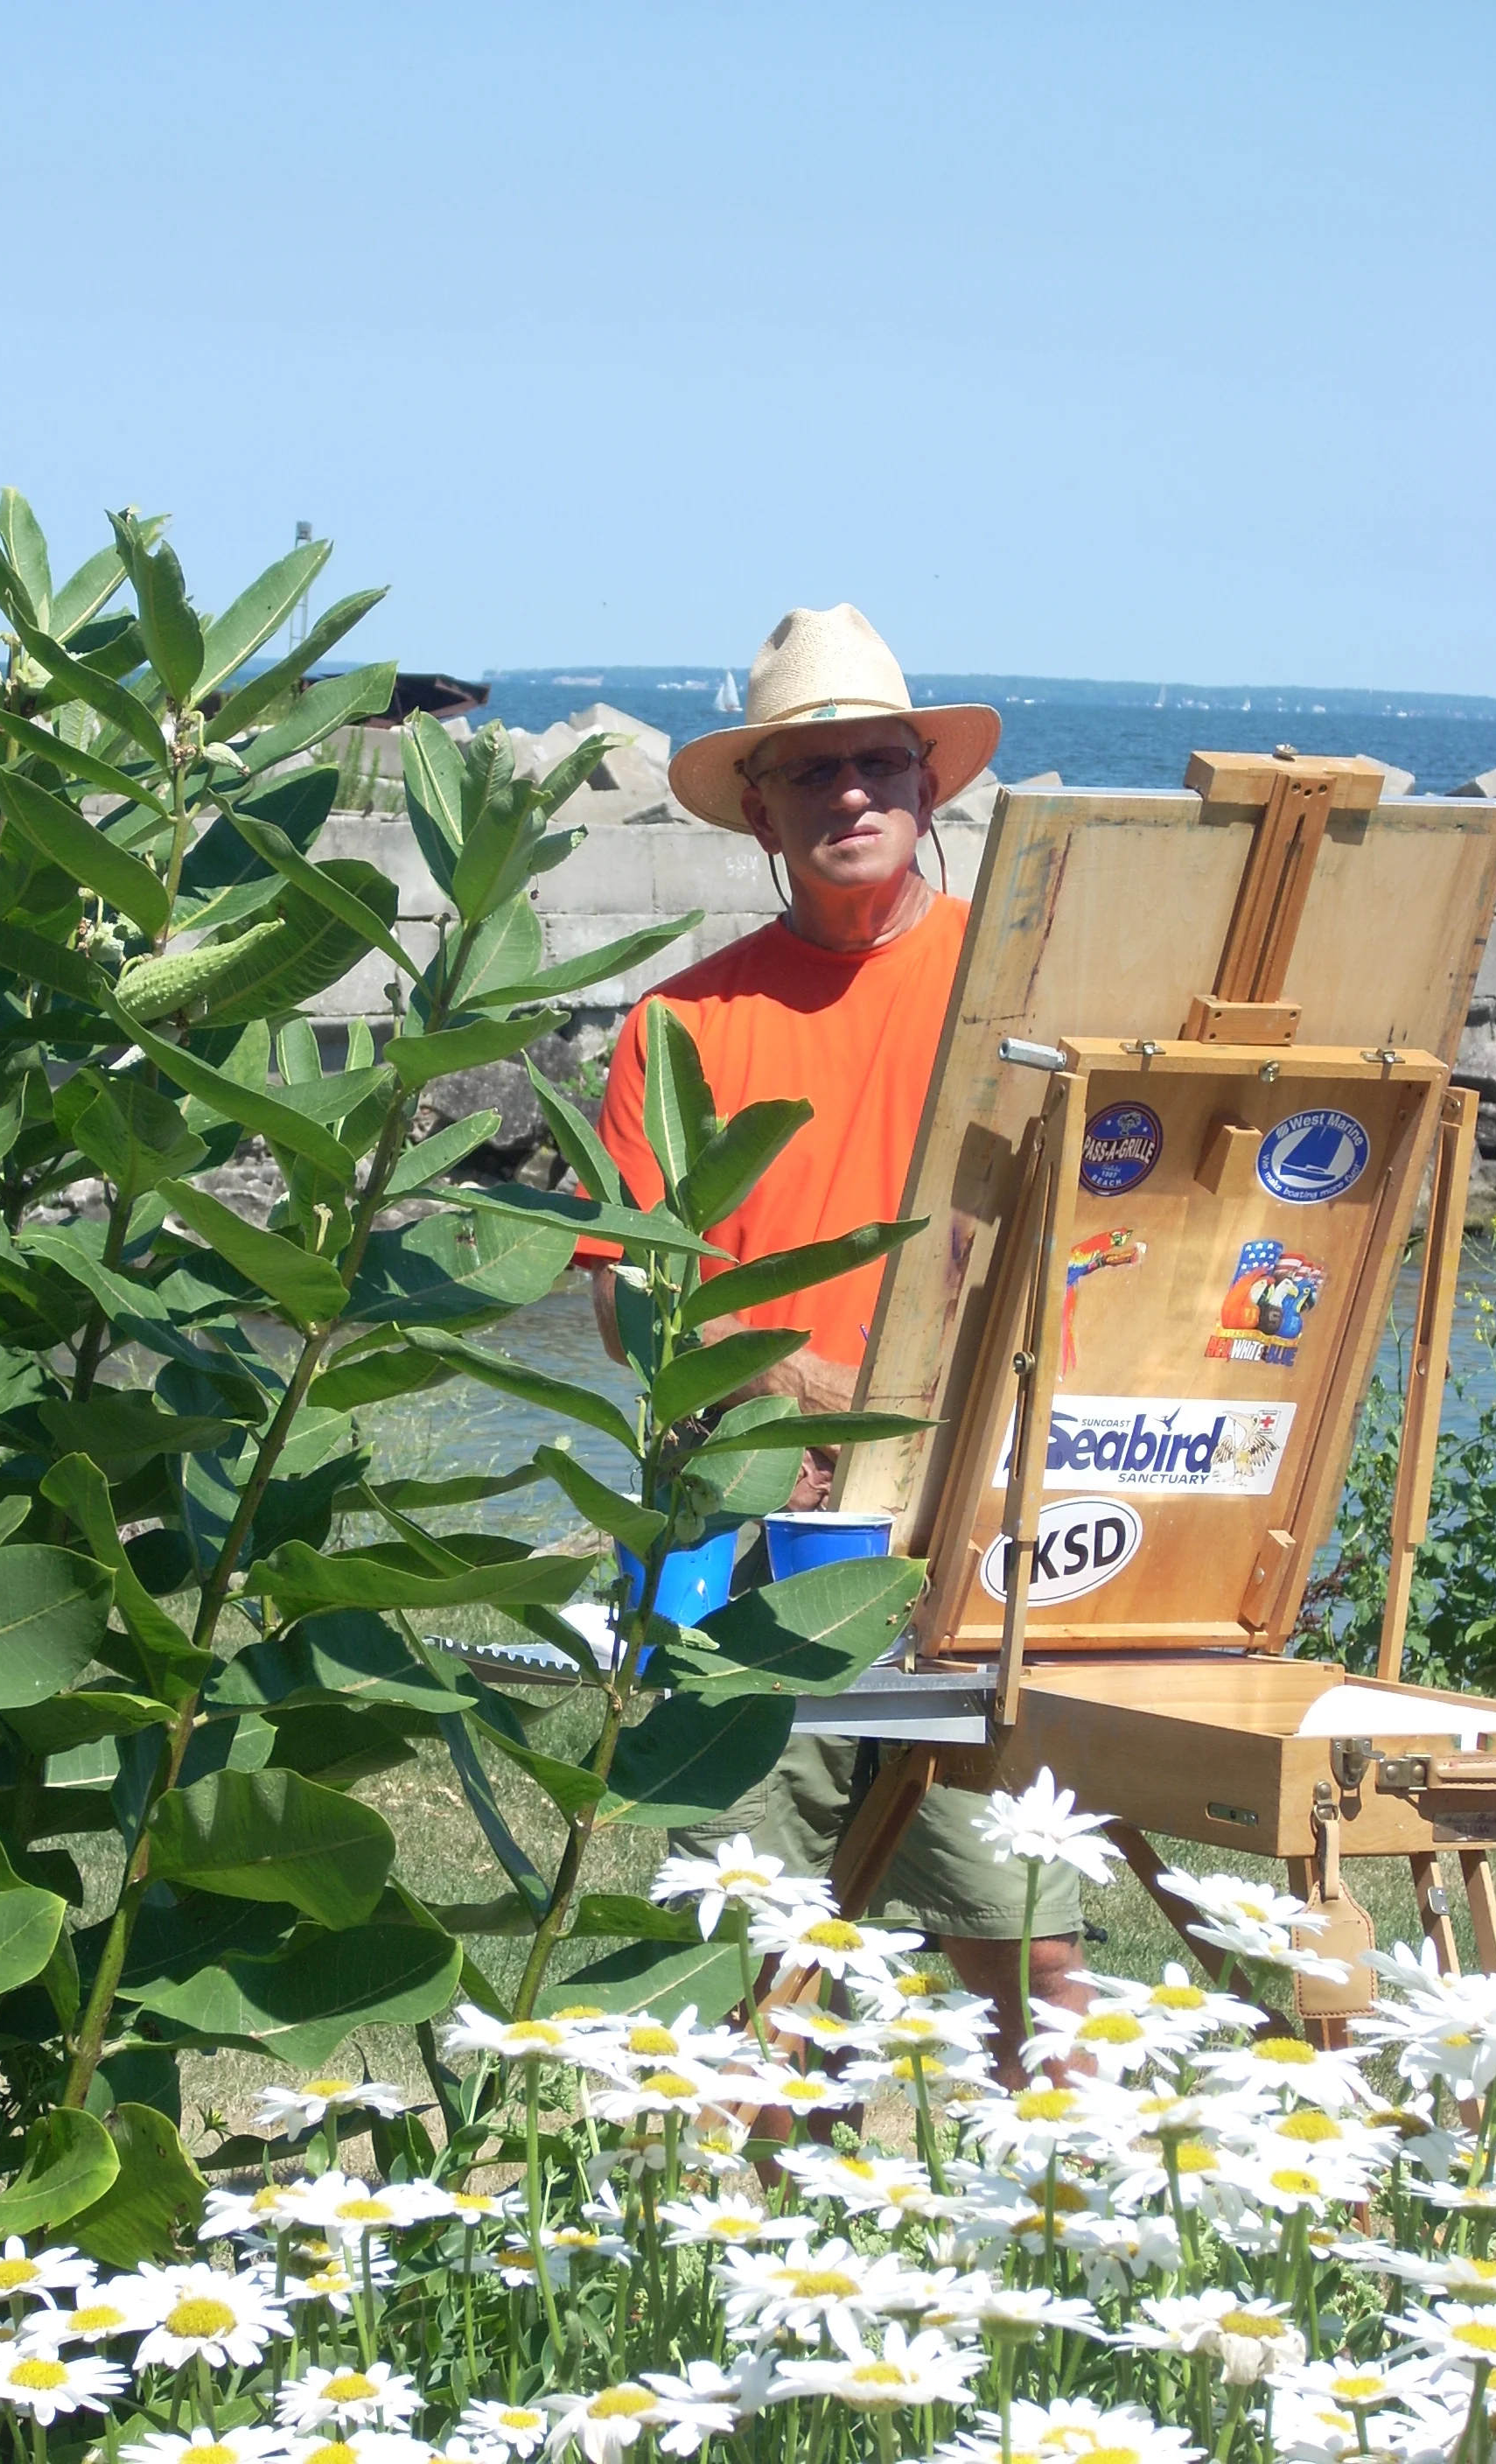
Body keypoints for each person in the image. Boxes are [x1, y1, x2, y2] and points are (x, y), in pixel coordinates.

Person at [575, 603, 1093, 2076]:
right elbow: (620, 1295)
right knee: (757, 1946)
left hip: (979, 1531)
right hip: (756, 1542)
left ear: (933, 786)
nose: (852, 795)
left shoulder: (1027, 999)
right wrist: (797, 1391)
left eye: (880, 764)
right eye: (816, 773)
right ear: (761, 808)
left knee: (1028, 1943)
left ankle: (1080, 2254)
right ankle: (758, 2270)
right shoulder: (681, 1024)